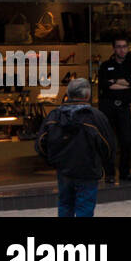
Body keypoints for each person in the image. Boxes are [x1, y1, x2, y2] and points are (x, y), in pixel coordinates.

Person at [35, 78, 116, 217]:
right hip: (88, 170)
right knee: (85, 207)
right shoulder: (96, 117)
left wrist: (54, 161)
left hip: (64, 169)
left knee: (65, 204)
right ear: (87, 96)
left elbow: (40, 144)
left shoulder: (55, 115)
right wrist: (102, 163)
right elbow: (108, 147)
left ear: (68, 94)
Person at [96, 36, 131, 183]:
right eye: (119, 47)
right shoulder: (106, 65)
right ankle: (109, 174)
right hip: (108, 106)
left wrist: (113, 81)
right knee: (109, 141)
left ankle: (124, 173)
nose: (122, 49)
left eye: (124, 46)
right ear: (114, 49)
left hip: (124, 107)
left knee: (126, 141)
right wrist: (123, 83)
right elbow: (104, 85)